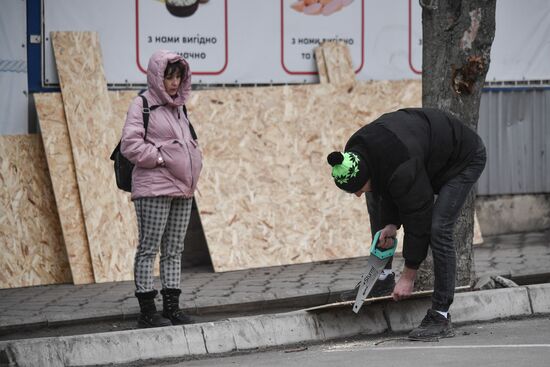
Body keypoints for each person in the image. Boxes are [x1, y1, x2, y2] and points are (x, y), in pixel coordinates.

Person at [327, 108, 486, 339]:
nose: (358, 196)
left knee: (437, 228)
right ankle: (382, 277)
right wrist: (390, 224)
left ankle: (440, 315)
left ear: (365, 175)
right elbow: (386, 182)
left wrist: (409, 276)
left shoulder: (401, 168)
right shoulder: (358, 149)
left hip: (462, 159)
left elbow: (417, 217)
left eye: (358, 189)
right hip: (421, 156)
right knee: (376, 196)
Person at [121, 50, 202, 328]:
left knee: (174, 250)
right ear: (157, 76)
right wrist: (160, 158)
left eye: (178, 76)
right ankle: (147, 312)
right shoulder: (142, 104)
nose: (174, 82)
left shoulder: (179, 107)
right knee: (149, 249)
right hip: (154, 188)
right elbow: (130, 145)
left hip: (182, 189)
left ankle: (172, 309)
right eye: (169, 76)